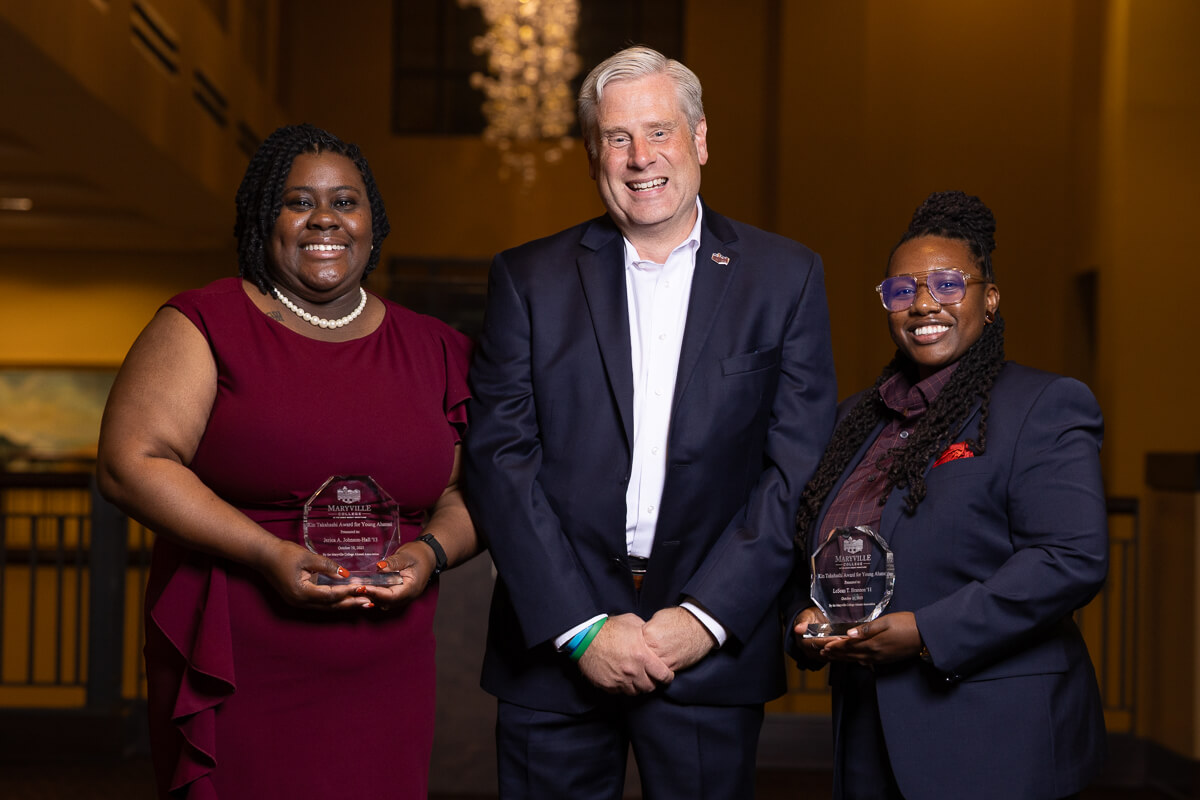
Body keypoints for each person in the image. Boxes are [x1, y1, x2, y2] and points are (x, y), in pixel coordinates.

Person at [463, 46, 837, 799]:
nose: (641, 159)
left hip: (711, 650)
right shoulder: (526, 277)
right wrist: (581, 626)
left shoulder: (785, 276)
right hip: (555, 649)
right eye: (617, 138)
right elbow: (499, 456)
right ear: (594, 154)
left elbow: (798, 464)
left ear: (699, 139)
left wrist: (703, 618)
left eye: (660, 132)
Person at [96, 123, 478, 799]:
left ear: (372, 221)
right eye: (297, 200)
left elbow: (470, 491)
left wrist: (432, 555)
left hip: (387, 665)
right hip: (244, 657)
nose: (325, 217)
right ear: (262, 218)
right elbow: (132, 463)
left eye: (346, 201)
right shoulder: (204, 323)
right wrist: (267, 554)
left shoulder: (438, 348)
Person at [788, 190, 1108, 799]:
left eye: (947, 284)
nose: (923, 304)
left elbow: (1071, 557)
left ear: (989, 300)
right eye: (902, 291)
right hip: (866, 733)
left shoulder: (1043, 406)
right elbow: (806, 544)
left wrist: (928, 630)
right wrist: (803, 621)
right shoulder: (854, 420)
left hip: (994, 737)